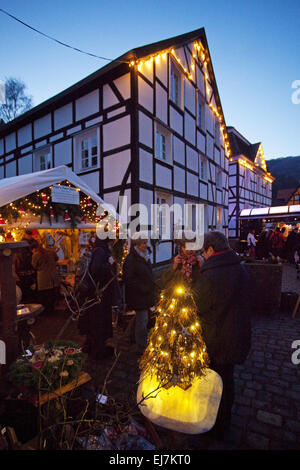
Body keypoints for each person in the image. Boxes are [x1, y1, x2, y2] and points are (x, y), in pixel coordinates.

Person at [194, 231, 252, 440]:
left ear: (210, 250)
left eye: (204, 252)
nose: (203, 256)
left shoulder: (213, 274)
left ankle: (214, 425)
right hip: (235, 337)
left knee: (214, 383)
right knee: (228, 379)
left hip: (216, 339)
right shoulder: (240, 269)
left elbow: (198, 305)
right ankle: (225, 421)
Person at [78, 237, 119, 360]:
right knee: (98, 323)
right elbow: (96, 269)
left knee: (95, 322)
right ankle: (98, 350)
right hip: (99, 295)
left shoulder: (99, 249)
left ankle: (93, 346)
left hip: (97, 295)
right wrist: (110, 263)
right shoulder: (101, 251)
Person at [123, 233, 155, 354]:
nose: (146, 245)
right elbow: (129, 279)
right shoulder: (131, 259)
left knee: (140, 319)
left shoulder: (144, 256)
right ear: (137, 244)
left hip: (145, 294)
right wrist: (143, 288)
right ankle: (142, 347)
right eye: (143, 243)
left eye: (146, 243)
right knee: (143, 321)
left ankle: (132, 338)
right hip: (138, 296)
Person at [31, 240, 60, 315]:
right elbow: (57, 259)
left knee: (44, 296)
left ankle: (45, 312)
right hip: (53, 276)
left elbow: (34, 266)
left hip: (43, 278)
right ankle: (51, 310)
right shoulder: (51, 251)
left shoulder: (36, 255)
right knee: (52, 294)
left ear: (33, 249)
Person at [15, 229, 37, 301]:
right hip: (26, 270)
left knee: (29, 290)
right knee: (27, 290)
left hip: (29, 270)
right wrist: (32, 253)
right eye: (29, 234)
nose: (30, 236)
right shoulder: (23, 244)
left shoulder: (32, 242)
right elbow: (23, 258)